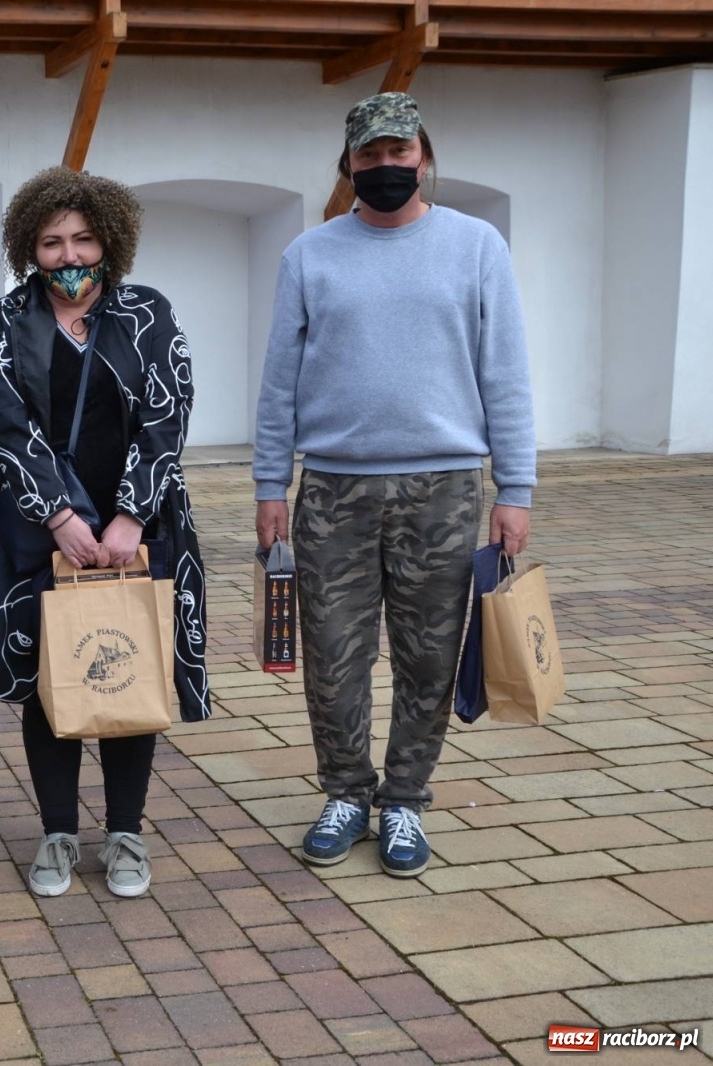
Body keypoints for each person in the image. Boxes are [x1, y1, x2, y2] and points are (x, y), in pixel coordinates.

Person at [253, 92, 536, 878]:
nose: (386, 166)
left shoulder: (477, 247)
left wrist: (515, 489)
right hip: (332, 491)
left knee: (428, 657)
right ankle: (345, 791)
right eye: (369, 156)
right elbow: (279, 384)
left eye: (399, 152)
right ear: (348, 165)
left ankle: (405, 799)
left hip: (444, 490)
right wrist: (269, 484)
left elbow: (505, 374)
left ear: (424, 157)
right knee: (333, 656)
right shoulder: (309, 255)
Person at [0, 166, 211, 901]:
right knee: (56, 676)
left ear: (110, 240)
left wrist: (131, 514)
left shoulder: (148, 314)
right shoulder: (4, 322)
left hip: (143, 525)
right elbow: (4, 423)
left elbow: (168, 414)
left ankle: (128, 833)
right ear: (28, 248)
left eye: (82, 239)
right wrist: (63, 518)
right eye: (51, 242)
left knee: (127, 666)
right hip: (37, 529)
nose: (69, 255)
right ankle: (57, 833)